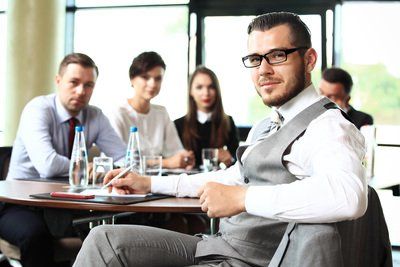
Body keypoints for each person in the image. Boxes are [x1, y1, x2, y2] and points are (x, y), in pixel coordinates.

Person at [73, 12, 368, 267]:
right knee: (103, 239)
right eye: (255, 59)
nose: (264, 70)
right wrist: (149, 183)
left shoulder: (327, 127)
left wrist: (242, 198)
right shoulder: (268, 125)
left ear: (309, 59)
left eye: (278, 55)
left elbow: (348, 196)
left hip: (248, 259)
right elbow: (231, 177)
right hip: (218, 244)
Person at [0, 53, 126, 267]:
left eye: (88, 85)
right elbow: (47, 165)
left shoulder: (95, 115)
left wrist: (109, 169)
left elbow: (124, 157)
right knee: (35, 235)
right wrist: (87, 169)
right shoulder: (38, 109)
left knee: (118, 229)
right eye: (74, 82)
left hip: (64, 204)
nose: (81, 91)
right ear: (58, 81)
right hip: (19, 204)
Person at [106, 51, 195, 169]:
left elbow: (176, 151)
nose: (152, 84)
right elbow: (117, 161)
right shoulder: (118, 113)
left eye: (158, 78)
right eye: (145, 77)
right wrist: (164, 163)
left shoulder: (161, 113)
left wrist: (185, 158)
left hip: (158, 179)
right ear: (132, 79)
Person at [174, 66, 239, 168]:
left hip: (218, 181)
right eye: (199, 87)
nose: (206, 93)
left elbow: (238, 161)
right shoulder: (177, 125)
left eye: (211, 87)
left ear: (217, 91)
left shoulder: (228, 122)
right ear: (191, 91)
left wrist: (230, 159)